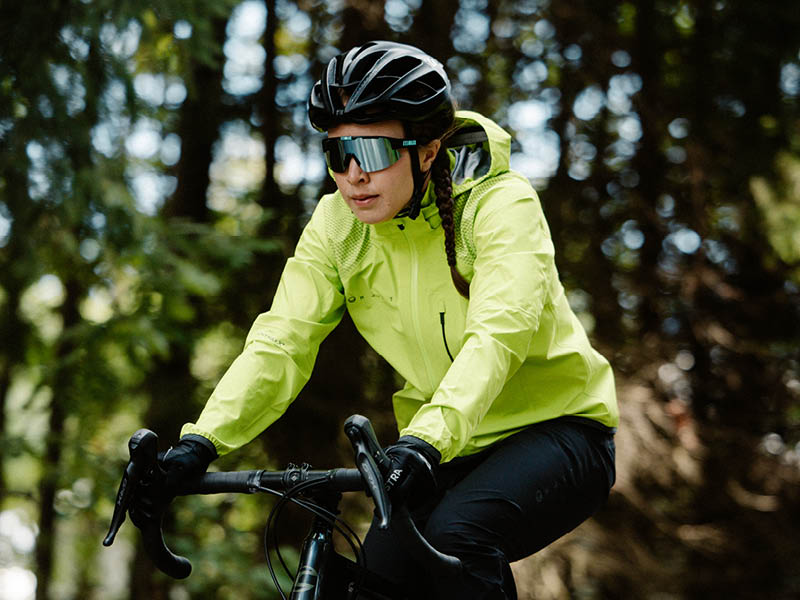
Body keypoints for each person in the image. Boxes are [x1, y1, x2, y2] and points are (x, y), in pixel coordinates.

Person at [149, 41, 618, 599]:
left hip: (559, 431)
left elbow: (498, 335)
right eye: (336, 152)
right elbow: (282, 341)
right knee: (372, 586)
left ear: (426, 149)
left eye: (370, 152)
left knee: (455, 538)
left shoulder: (499, 206)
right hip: (445, 447)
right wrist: (201, 443)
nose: (352, 175)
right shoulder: (336, 226)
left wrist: (424, 440)